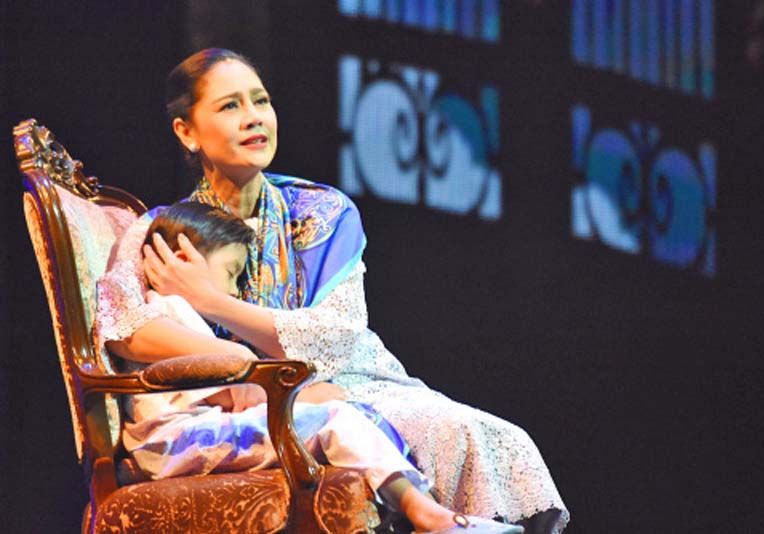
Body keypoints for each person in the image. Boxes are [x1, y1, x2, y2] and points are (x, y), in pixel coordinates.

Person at [96, 48, 568, 531]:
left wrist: (212, 302)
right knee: (423, 429)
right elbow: (124, 327)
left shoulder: (323, 211)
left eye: (261, 100)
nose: (253, 117)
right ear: (187, 132)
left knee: (490, 437)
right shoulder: (164, 229)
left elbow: (335, 337)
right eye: (230, 105)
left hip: (352, 378)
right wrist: (248, 367)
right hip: (254, 403)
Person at [110, 200, 522, 534]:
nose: (235, 291)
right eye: (232, 274)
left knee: (345, 418)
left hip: (197, 434)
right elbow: (242, 391)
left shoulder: (180, 317)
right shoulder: (169, 312)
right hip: (174, 442)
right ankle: (429, 515)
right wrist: (307, 395)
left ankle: (429, 512)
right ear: (183, 258)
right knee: (336, 419)